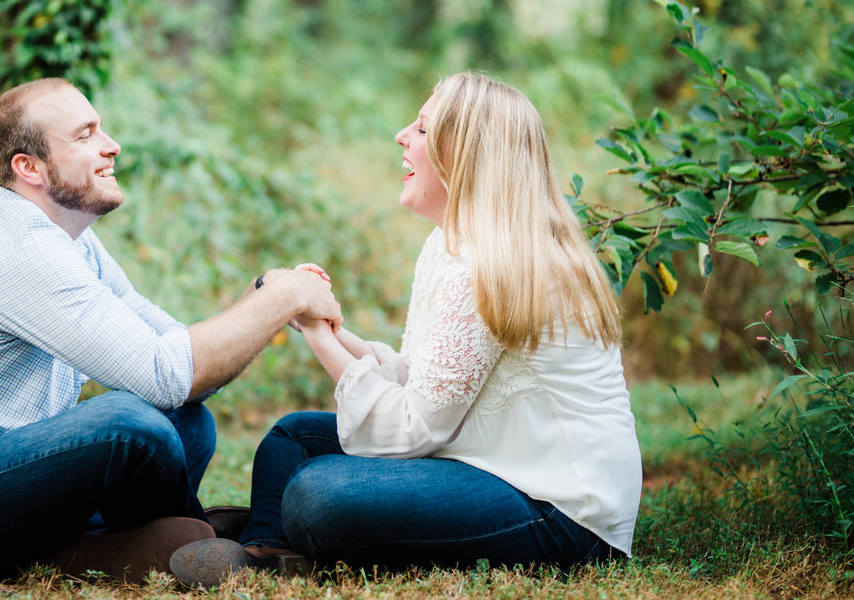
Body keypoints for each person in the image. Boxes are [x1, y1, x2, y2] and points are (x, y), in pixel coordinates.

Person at [0, 77, 341, 581]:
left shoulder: (71, 243)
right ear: (30, 167)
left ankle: (90, 546)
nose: (112, 146)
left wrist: (266, 291)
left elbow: (178, 355)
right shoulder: (20, 251)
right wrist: (283, 299)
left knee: (188, 422)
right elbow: (170, 373)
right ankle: (201, 539)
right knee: (131, 425)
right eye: (85, 135)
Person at [171, 71, 642, 586]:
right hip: (478, 459)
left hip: (561, 508)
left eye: (421, 129)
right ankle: (268, 550)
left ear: (461, 154)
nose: (401, 135)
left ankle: (285, 529)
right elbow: (422, 378)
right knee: (293, 438)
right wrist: (319, 323)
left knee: (317, 494)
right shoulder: (449, 245)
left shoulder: (487, 267)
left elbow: (414, 429)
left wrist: (323, 337)